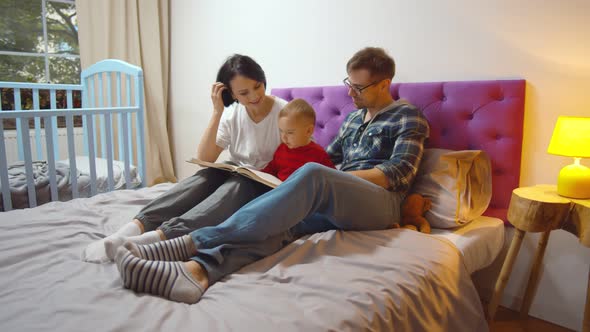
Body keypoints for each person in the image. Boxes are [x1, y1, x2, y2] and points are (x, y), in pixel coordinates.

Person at [114, 47, 431, 304]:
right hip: (339, 200)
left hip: (383, 203)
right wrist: (300, 182)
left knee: (313, 177)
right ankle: (197, 272)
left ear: (384, 84)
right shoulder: (352, 120)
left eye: (358, 87)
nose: (350, 93)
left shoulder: (407, 116)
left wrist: (333, 180)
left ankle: (190, 242)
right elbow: (326, 158)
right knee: (280, 223)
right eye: (348, 84)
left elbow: (398, 173)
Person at [82, 54, 288, 263]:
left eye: (258, 86)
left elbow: (304, 154)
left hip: (263, 183)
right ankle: (133, 228)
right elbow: (204, 157)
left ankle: (159, 237)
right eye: (244, 92)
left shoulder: (285, 112)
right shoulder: (232, 114)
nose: (254, 95)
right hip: (238, 171)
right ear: (231, 94)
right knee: (208, 174)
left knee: (238, 183)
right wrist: (217, 112)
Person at [260, 98, 335, 180]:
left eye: (290, 132)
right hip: (279, 189)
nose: (284, 137)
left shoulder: (318, 154)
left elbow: (333, 178)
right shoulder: (281, 149)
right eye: (281, 131)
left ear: (309, 131)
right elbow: (271, 169)